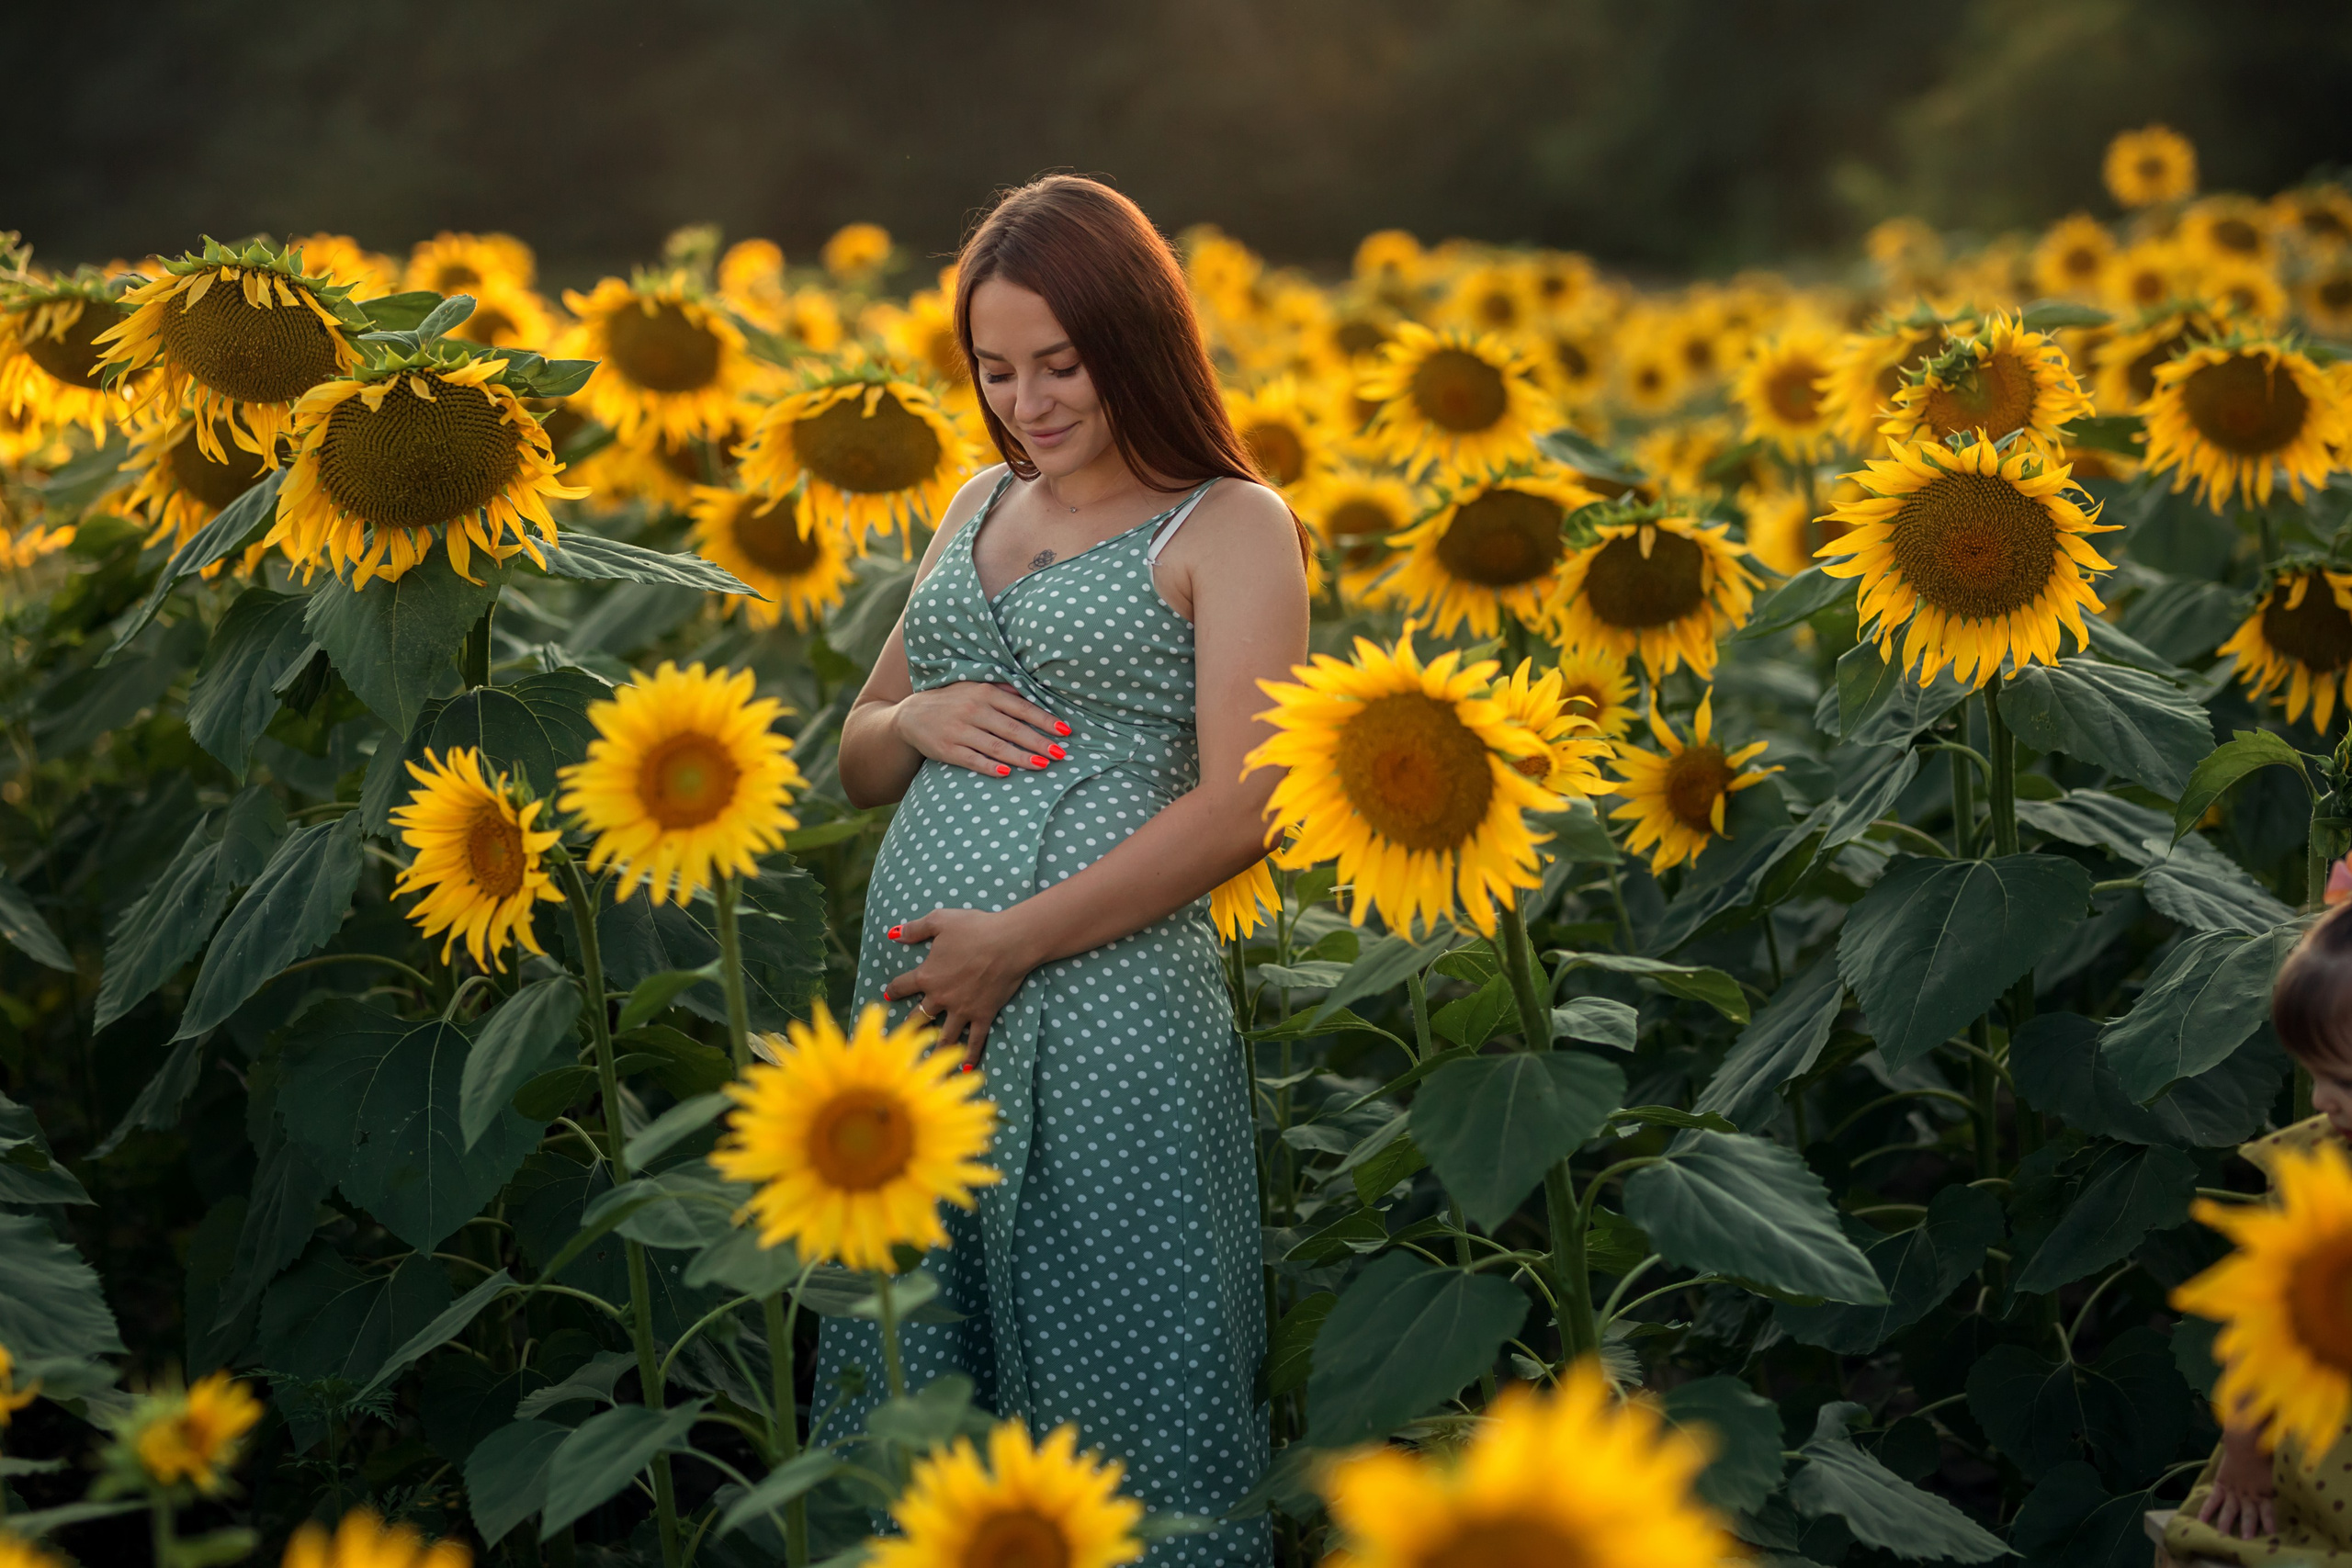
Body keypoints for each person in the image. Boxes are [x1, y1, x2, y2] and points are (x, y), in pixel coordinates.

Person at [821, 174, 1309, 1562]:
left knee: (1119, 1356)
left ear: (1136, 339)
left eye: (1060, 363)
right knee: (924, 1364)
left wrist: (1014, 939)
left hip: (1104, 1007)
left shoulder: (1228, 523)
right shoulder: (980, 501)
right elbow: (855, 755)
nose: (1026, 402)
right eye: (995, 370)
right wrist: (914, 716)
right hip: (921, 1008)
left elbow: (1243, 808)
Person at [2168, 902, 2352, 1566]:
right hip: (2328, 1444)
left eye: (2347, 1081)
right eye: (2315, 1074)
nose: (2325, 1101)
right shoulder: (2318, 1169)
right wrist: (2245, 1447)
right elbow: (2266, 1328)